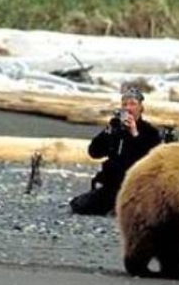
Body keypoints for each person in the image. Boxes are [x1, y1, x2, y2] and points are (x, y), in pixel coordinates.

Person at [69, 87, 162, 216]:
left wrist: (135, 134)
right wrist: (108, 132)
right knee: (78, 205)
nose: (128, 108)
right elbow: (94, 152)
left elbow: (151, 158)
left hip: (135, 185)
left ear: (141, 108)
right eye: (125, 105)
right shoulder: (115, 128)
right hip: (112, 184)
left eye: (133, 104)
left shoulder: (150, 132)